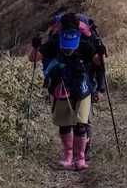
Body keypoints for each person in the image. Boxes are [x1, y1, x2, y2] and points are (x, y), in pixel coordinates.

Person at [30, 10, 107, 170]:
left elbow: (98, 63)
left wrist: (101, 51)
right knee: (65, 124)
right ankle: (70, 156)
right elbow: (33, 58)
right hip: (62, 86)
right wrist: (35, 47)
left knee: (81, 124)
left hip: (80, 87)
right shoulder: (54, 43)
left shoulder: (84, 44)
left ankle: (79, 158)